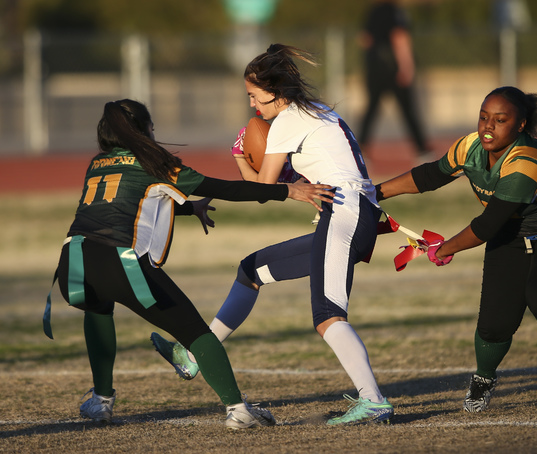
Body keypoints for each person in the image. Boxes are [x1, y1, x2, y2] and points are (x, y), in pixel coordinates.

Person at [46, 99, 334, 428]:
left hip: (72, 263)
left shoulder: (98, 163)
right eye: (151, 127)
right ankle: (237, 410)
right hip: (118, 261)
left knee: (97, 308)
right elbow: (224, 188)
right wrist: (287, 191)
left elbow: (123, 199)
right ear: (142, 131)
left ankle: (101, 401)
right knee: (196, 333)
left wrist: (188, 209)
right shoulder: (153, 162)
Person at [151, 44, 394, 426]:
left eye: (253, 95)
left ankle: (374, 401)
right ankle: (193, 357)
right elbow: (294, 183)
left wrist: (238, 156)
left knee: (328, 315)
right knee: (251, 270)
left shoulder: (288, 121)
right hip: (350, 214)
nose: (251, 105)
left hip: (345, 214)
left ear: (276, 92)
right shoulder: (316, 112)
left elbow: (264, 189)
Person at [374, 86, 537, 412]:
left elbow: (487, 225)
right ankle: (484, 378)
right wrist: (375, 194)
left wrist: (445, 249)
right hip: (512, 232)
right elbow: (430, 175)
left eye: (500, 120)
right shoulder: (470, 145)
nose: (488, 127)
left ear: (521, 125)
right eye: (484, 117)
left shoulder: (526, 160)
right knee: (494, 323)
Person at [358, 0, 431, 158]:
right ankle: (422, 149)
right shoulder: (395, 12)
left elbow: (365, 40)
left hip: (375, 68)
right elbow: (400, 37)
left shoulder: (373, 11)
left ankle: (361, 149)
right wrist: (406, 66)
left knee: (372, 109)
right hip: (393, 68)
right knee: (408, 109)